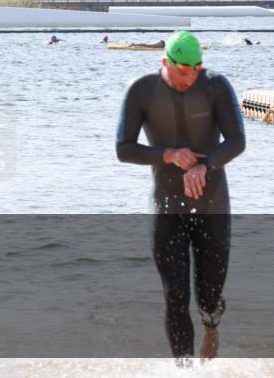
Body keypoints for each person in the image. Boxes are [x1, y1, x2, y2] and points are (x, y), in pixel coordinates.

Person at [115, 30, 246, 365]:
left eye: (196, 69)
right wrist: (168, 155)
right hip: (167, 203)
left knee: (209, 296)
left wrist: (206, 167)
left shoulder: (216, 86)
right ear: (166, 62)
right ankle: (185, 370)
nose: (191, 77)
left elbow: (236, 141)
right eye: (184, 71)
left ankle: (212, 326)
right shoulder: (140, 90)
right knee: (175, 295)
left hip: (212, 203)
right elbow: (123, 149)